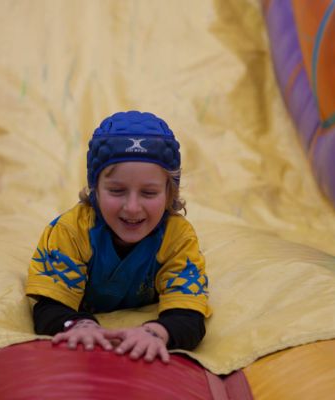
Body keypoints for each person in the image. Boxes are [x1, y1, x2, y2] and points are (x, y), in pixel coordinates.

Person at [26, 111, 211, 363]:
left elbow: (189, 314)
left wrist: (156, 332)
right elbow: (49, 307)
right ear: (95, 189)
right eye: (116, 190)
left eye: (148, 192)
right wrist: (80, 326)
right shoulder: (72, 231)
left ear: (169, 193)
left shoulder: (177, 238)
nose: (132, 207)